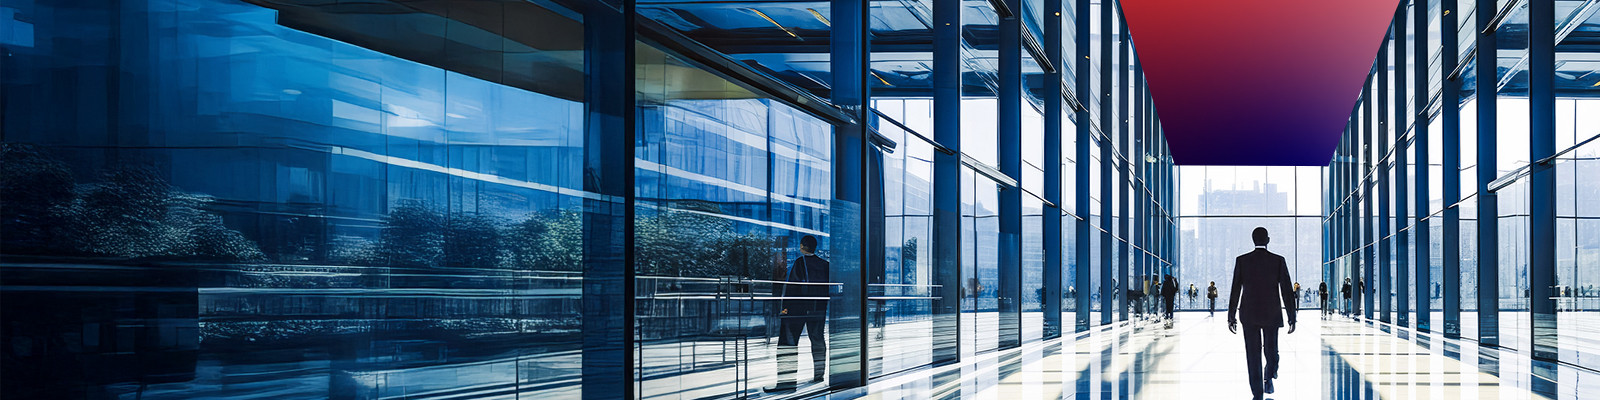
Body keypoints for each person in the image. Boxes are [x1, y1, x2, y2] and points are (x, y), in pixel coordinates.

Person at [1228, 227, 1297, 400]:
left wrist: (1231, 316)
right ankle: (1270, 374)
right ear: (1267, 240)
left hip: (1249, 314)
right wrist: (1292, 316)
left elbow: (1235, 289)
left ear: (1253, 240)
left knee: (1252, 353)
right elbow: (1287, 291)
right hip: (1271, 313)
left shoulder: (1242, 261)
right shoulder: (1278, 261)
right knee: (1272, 350)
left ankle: (1257, 391)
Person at [766, 235, 830, 392]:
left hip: (798, 309)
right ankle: (819, 375)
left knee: (788, 342)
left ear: (802, 246)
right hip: (818, 309)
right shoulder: (825, 265)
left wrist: (784, 309)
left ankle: (786, 383)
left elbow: (792, 289)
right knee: (817, 339)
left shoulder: (800, 263)